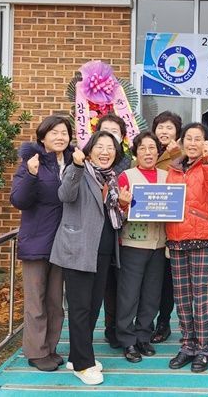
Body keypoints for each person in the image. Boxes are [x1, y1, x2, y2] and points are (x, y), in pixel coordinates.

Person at [49, 130, 130, 385]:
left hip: (103, 250)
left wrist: (124, 205)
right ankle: (83, 365)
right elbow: (66, 194)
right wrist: (75, 164)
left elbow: (113, 218)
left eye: (111, 147)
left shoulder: (113, 178)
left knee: (93, 306)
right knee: (81, 308)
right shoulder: (80, 171)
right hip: (79, 248)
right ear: (90, 150)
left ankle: (77, 355)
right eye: (100, 146)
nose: (105, 152)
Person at [10, 116, 73, 372]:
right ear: (42, 137)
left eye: (64, 132)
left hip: (62, 242)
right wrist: (32, 175)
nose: (60, 136)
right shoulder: (31, 162)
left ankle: (50, 347)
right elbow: (19, 200)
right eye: (54, 132)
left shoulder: (72, 161)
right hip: (37, 241)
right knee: (36, 300)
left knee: (55, 301)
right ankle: (36, 352)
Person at [165, 122, 208, 373]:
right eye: (188, 138)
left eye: (198, 139)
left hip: (204, 238)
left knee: (201, 297)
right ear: (181, 142)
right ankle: (187, 345)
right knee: (181, 297)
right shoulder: (173, 168)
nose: (192, 143)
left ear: (205, 143)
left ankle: (203, 347)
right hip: (177, 238)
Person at [115, 131, 167, 363]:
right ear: (135, 152)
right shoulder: (126, 176)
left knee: (151, 294)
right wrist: (124, 206)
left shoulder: (168, 176)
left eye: (152, 148)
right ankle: (127, 340)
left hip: (160, 244)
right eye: (143, 148)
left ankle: (143, 336)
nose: (148, 152)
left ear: (159, 151)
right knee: (129, 294)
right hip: (133, 243)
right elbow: (116, 212)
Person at [97, 113, 131, 349]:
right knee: (106, 285)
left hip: (126, 232)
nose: (110, 137)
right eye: (105, 131)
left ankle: (123, 328)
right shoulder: (90, 165)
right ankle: (110, 328)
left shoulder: (130, 162)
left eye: (115, 133)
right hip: (98, 234)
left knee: (124, 285)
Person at [150, 110, 183, 344]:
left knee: (167, 279)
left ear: (177, 132)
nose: (164, 131)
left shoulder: (181, 154)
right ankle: (146, 320)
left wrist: (176, 156)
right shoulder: (146, 149)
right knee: (150, 277)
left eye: (169, 127)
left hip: (172, 224)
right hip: (149, 224)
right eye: (160, 127)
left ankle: (163, 322)